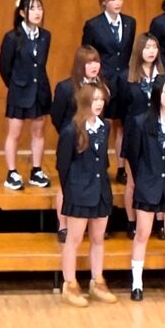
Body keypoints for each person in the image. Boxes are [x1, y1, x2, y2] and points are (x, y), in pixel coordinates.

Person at [123, 76, 165, 301]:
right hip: (148, 184)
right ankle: (137, 284)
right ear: (157, 94)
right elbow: (134, 156)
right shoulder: (141, 122)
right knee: (142, 233)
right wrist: (143, 178)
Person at [56, 84, 116, 307]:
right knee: (74, 239)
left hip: (100, 190)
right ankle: (70, 283)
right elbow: (63, 166)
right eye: (94, 99)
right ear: (84, 102)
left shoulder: (105, 127)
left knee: (98, 239)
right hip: (79, 192)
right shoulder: (71, 131)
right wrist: (72, 191)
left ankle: (97, 281)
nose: (99, 103)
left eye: (101, 99)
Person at [51, 46, 115, 242]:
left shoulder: (103, 86)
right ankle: (63, 225)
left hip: (95, 140)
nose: (94, 66)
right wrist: (71, 134)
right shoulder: (65, 88)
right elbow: (57, 116)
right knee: (69, 180)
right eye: (89, 62)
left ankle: (95, 223)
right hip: (74, 141)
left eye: (96, 61)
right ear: (80, 65)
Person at [82, 0, 136, 184]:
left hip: (124, 82)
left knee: (122, 126)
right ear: (104, 2)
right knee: (99, 125)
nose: (118, 3)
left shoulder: (130, 22)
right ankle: (98, 167)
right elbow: (86, 55)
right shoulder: (93, 25)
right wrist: (96, 80)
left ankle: (121, 168)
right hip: (102, 82)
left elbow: (128, 53)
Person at [0, 0, 53, 191]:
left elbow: (40, 64)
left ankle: (36, 170)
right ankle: (12, 173)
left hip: (40, 90)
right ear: (22, 13)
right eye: (32, 8)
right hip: (19, 90)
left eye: (39, 8)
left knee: (39, 131)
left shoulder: (46, 36)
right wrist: (16, 85)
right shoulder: (12, 37)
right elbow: (5, 68)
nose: (37, 12)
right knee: (15, 133)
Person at [122, 33, 165, 240]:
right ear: (139, 49)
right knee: (133, 180)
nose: (151, 51)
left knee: (159, 178)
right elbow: (122, 109)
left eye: (154, 47)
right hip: (134, 135)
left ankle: (160, 222)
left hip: (160, 134)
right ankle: (131, 222)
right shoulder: (126, 77)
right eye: (147, 47)